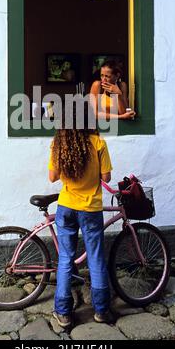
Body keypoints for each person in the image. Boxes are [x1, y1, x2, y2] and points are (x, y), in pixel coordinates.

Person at [48, 104, 113, 328]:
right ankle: (102, 311)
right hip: (91, 209)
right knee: (96, 258)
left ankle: (64, 313)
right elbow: (107, 176)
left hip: (66, 207)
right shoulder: (98, 143)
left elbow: (52, 177)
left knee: (65, 259)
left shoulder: (59, 144)